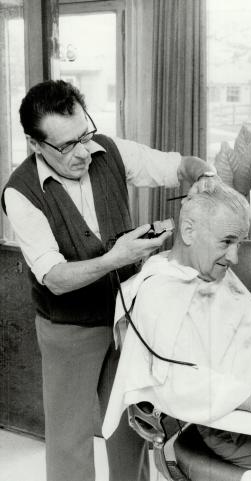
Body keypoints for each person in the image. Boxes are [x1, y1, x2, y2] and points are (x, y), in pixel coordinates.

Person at [0, 79, 217, 481]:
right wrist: (115, 258)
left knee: (131, 427)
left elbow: (179, 165)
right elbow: (55, 278)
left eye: (84, 134)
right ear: (35, 144)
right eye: (66, 146)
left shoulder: (110, 150)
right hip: (68, 329)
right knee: (69, 439)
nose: (82, 152)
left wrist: (206, 174)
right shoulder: (20, 192)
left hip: (126, 320)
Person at [103, 180, 251, 480]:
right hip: (227, 422)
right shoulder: (161, 292)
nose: (235, 257)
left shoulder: (212, 271)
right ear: (189, 231)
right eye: (226, 242)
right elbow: (180, 382)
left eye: (240, 243)